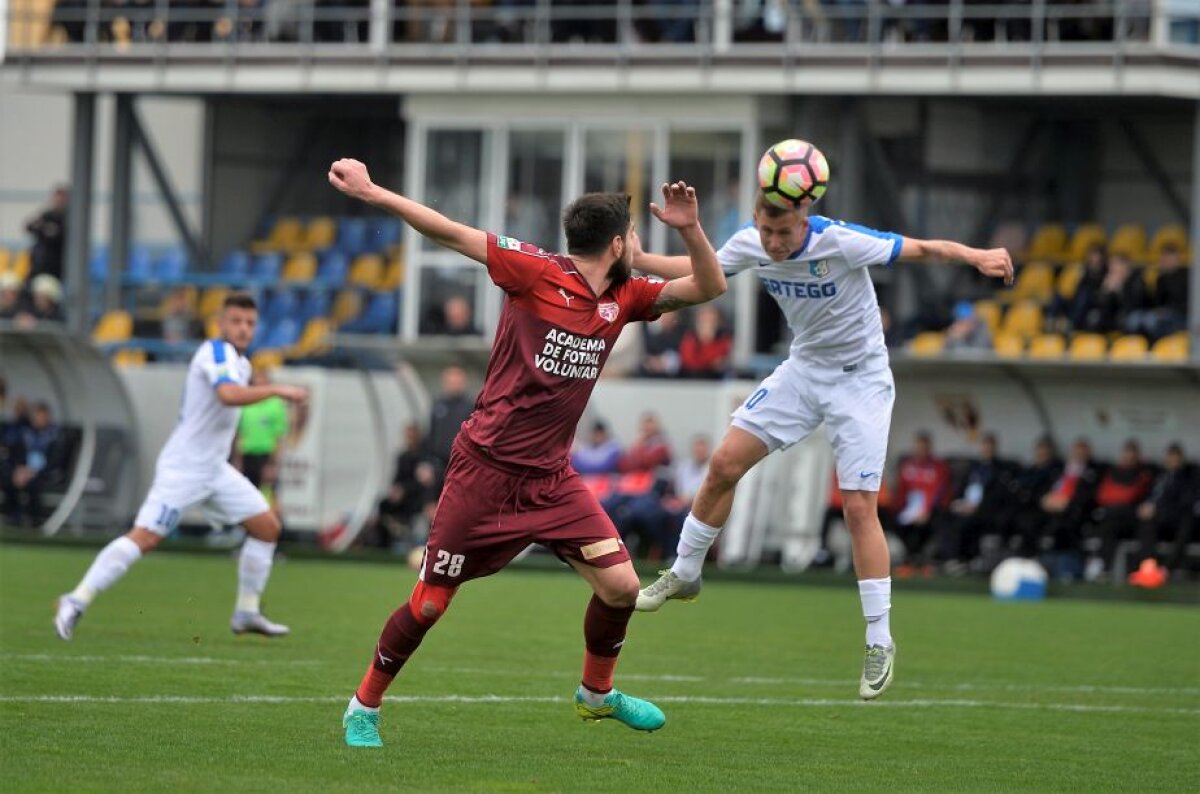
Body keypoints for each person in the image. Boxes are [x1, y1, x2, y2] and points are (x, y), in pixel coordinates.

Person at [327, 156, 725, 747]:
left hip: (551, 479)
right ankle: (364, 706)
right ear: (617, 241)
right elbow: (448, 230)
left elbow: (711, 286)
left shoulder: (627, 295)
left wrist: (690, 230)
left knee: (620, 587)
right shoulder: (534, 270)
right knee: (432, 604)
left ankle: (595, 695)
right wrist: (373, 191)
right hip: (483, 472)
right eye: (632, 238)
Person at [630, 148, 1013, 699]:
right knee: (722, 465)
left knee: (859, 508)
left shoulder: (840, 240)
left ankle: (879, 638)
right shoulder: (752, 240)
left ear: (803, 218)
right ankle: (685, 572)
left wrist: (977, 256)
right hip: (804, 371)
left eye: (781, 232)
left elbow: (923, 248)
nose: (773, 243)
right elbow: (700, 270)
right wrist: (642, 260)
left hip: (861, 381)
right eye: (765, 230)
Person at [53, 294, 308, 641]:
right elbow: (229, 396)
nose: (244, 329)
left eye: (250, 323)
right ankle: (75, 599)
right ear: (221, 323)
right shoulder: (216, 352)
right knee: (145, 537)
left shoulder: (241, 363)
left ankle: (247, 611)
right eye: (236, 321)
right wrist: (278, 389)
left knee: (266, 527)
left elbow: (224, 416)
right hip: (185, 467)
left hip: (215, 469)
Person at [1082, 439, 1153, 582]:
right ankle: (1104, 567)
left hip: (1134, 519)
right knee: (1107, 524)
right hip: (1114, 519)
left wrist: (1118, 501)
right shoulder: (1112, 472)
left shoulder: (1144, 474)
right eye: (1126, 455)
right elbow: (1103, 495)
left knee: (1146, 525)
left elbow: (1132, 495)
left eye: (1131, 456)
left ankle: (1141, 570)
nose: (1128, 459)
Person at [892, 431, 952, 571]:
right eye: (918, 447)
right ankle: (908, 559)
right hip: (908, 510)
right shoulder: (906, 465)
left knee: (937, 523)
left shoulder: (938, 467)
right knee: (892, 521)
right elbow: (900, 491)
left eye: (924, 447)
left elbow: (940, 492)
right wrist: (902, 509)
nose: (920, 450)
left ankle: (927, 560)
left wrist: (926, 510)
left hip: (929, 510)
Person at [235, 368, 291, 508]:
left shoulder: (274, 405)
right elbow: (239, 434)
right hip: (247, 454)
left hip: (265, 455)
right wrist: (237, 461)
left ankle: (274, 526)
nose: (259, 382)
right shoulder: (245, 404)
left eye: (262, 379)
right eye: (256, 379)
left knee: (269, 497)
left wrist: (272, 464)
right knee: (246, 497)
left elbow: (278, 436)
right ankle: (246, 528)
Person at [2, 402, 63, 526]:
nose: (39, 419)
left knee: (33, 485)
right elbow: (15, 452)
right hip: (23, 471)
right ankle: (13, 516)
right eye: (37, 416)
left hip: (43, 472)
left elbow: (55, 461)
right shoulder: (25, 433)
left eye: (42, 416)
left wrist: (34, 471)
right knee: (9, 480)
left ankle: (34, 520)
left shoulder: (54, 436)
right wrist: (19, 470)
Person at [426, 366, 475, 468]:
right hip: (438, 463)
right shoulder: (438, 404)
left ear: (463, 383)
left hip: (462, 462)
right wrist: (427, 462)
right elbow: (431, 434)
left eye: (457, 382)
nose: (454, 385)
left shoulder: (471, 406)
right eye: (451, 382)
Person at [25, 186, 68, 282]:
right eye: (57, 198)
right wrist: (46, 229)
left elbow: (61, 235)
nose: (59, 201)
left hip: (59, 262)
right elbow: (29, 226)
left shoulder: (69, 216)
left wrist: (49, 231)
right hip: (41, 262)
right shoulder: (47, 215)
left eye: (62, 198)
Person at [678, 304, 733, 378]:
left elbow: (719, 361)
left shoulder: (723, 338)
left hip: (715, 380)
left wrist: (708, 341)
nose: (708, 321)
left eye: (711, 319)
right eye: (704, 318)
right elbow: (688, 361)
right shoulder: (690, 337)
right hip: (691, 379)